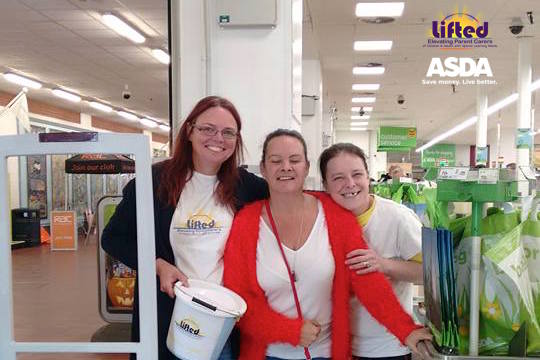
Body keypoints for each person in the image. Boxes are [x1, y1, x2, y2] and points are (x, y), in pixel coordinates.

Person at [223, 129, 432, 360]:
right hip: (267, 353)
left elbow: (367, 281)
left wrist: (405, 329)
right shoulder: (245, 223)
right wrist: (289, 331)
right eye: (276, 161)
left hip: (327, 352)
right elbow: (237, 299)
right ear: (263, 168)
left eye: (295, 160)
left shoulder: (336, 216)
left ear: (306, 167)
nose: (286, 167)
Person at [101, 96, 269, 360]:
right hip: (170, 315)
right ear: (189, 130)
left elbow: (292, 201)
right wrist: (158, 265)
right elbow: (112, 238)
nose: (218, 138)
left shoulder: (247, 187)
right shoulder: (153, 182)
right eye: (207, 129)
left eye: (228, 132)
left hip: (224, 320)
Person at [319, 143, 424, 360]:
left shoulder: (397, 218)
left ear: (368, 178)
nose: (350, 184)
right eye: (338, 178)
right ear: (325, 185)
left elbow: (431, 273)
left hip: (386, 346)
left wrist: (385, 265)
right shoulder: (318, 219)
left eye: (357, 174)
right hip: (333, 344)